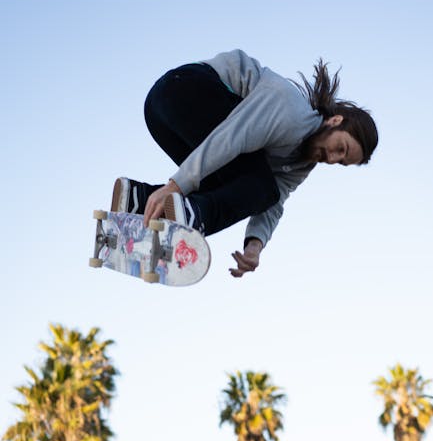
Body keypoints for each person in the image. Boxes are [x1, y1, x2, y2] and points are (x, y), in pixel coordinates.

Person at [111, 49, 378, 277]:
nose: (331, 159)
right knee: (255, 185)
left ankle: (136, 198)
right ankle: (191, 215)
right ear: (335, 121)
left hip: (161, 114)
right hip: (183, 90)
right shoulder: (291, 112)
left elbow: (276, 199)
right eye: (340, 148)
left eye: (341, 162)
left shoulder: (302, 162)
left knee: (244, 187)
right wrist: (175, 186)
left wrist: (255, 244)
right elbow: (231, 138)